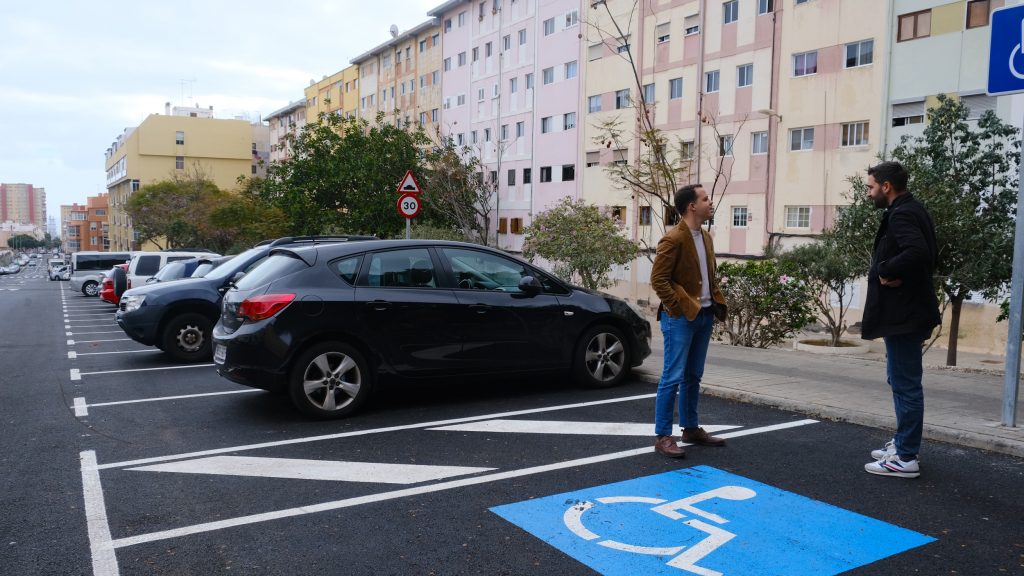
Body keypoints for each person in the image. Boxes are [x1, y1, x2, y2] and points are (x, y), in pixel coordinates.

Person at [861, 161, 941, 479]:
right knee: (899, 380)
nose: (868, 193)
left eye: (870, 187)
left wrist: (886, 269)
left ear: (886, 186)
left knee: (906, 384)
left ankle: (906, 456)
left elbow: (919, 253)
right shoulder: (909, 209)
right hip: (907, 312)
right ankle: (903, 443)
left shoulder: (903, 212)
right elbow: (926, 254)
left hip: (906, 314)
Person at [649, 184, 728, 458]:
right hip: (680, 318)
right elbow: (658, 280)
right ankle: (662, 435)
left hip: (704, 315)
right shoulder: (673, 239)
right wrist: (677, 307)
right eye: (705, 199)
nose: (710, 202)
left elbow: (708, 276)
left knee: (694, 375)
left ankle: (691, 428)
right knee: (672, 376)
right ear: (692, 206)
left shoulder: (705, 237)